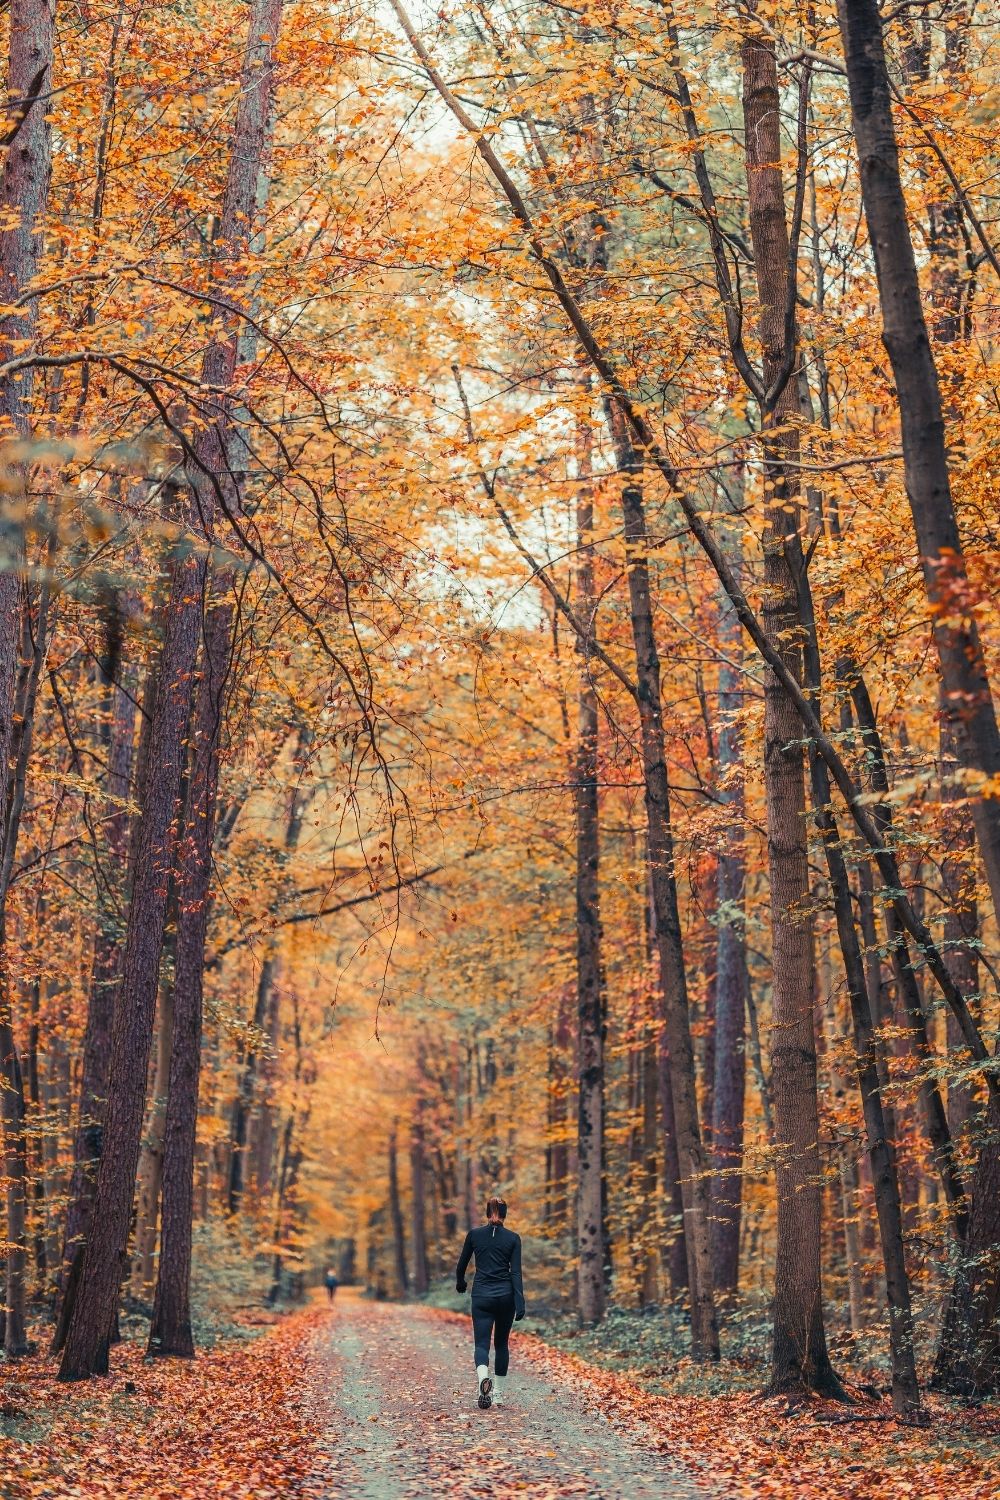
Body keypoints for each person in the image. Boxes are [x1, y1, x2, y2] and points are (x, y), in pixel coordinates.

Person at [455, 1195, 525, 1409]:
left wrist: (461, 1283)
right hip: (505, 1297)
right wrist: (519, 1301)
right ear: (505, 1214)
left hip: (482, 1295)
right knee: (502, 1344)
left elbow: (462, 1264)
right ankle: (498, 1394)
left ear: (487, 1213)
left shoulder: (474, 1235)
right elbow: (516, 1272)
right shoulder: (513, 1238)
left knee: (482, 1344)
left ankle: (482, 1380)